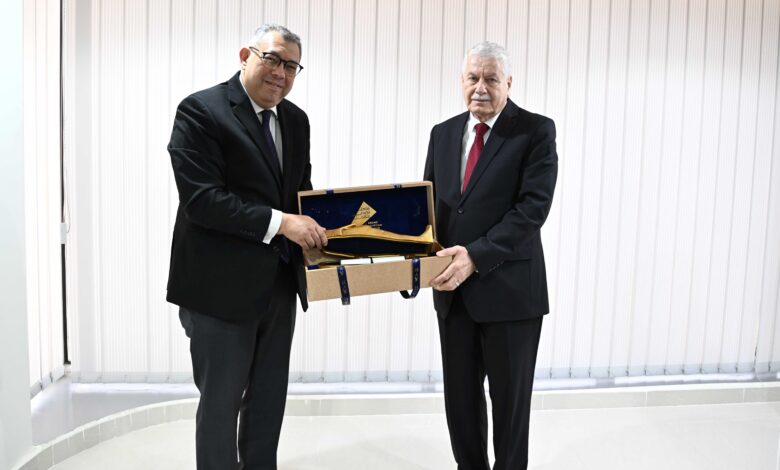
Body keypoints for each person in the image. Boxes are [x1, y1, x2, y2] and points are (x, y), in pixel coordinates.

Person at [166, 24, 327, 470]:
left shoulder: (295, 120)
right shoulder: (201, 111)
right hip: (218, 291)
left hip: (279, 285)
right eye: (271, 59)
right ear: (245, 55)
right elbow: (202, 200)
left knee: (268, 401)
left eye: (291, 66)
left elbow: (299, 193)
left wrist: (340, 230)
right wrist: (283, 223)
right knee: (220, 407)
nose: (280, 73)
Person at [425, 41, 558, 470]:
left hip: (511, 296)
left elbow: (531, 210)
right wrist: (414, 261)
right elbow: (429, 212)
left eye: (491, 79)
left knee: (510, 411)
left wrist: (475, 257)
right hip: (454, 296)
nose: (480, 87)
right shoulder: (442, 133)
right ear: (461, 80)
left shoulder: (535, 131)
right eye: (472, 77)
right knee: (461, 407)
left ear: (509, 83)